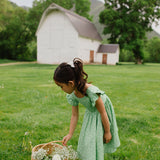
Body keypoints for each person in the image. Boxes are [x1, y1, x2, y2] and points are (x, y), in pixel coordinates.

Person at [53, 58, 120, 160]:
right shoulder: (73, 95)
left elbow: (103, 112)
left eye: (61, 86)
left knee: (95, 139)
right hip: (91, 113)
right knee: (87, 140)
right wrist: (70, 134)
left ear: (71, 83)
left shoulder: (92, 92)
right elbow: (74, 115)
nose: (61, 89)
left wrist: (107, 131)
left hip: (102, 114)